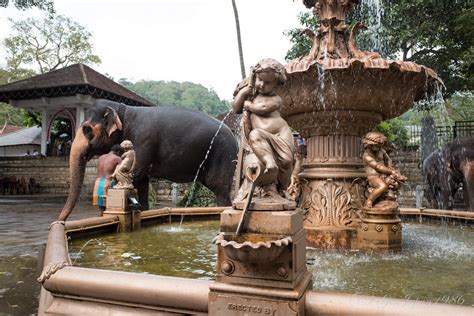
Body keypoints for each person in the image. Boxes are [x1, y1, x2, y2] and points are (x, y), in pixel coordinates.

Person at [233, 58, 295, 196]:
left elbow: (262, 109)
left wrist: (248, 105)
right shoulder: (251, 95)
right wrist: (244, 92)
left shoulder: (276, 99)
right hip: (261, 137)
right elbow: (236, 108)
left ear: (276, 85)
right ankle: (269, 162)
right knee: (254, 135)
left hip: (281, 136)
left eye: (267, 83)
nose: (261, 84)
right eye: (259, 79)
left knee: (286, 162)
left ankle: (282, 190)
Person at [362, 132, 405, 208]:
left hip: (384, 173)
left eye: (380, 145)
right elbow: (378, 167)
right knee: (382, 186)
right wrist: (391, 171)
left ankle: (387, 200)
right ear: (370, 145)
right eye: (377, 146)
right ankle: (369, 200)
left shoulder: (381, 150)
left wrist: (390, 167)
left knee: (398, 181)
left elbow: (388, 160)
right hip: (373, 177)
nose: (379, 147)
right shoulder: (367, 156)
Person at [93, 145, 122, 215]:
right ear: (118, 152)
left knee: (101, 210)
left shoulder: (101, 157)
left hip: (98, 182)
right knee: (110, 209)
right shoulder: (117, 158)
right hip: (108, 182)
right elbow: (121, 172)